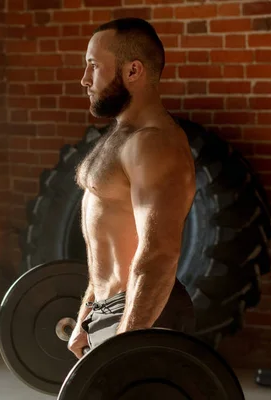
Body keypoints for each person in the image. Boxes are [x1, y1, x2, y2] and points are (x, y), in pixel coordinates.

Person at [67, 17, 197, 359]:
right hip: (111, 312)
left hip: (144, 314)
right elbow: (108, 240)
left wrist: (126, 348)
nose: (84, 79)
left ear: (133, 71)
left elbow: (159, 254)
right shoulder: (123, 135)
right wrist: (86, 316)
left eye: (94, 66)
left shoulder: (154, 145)